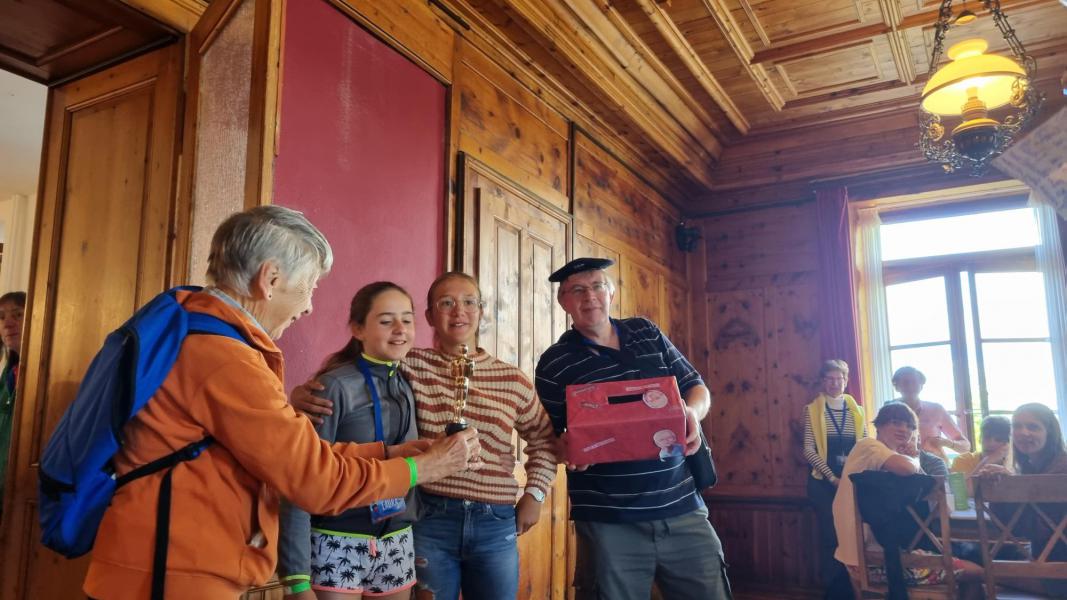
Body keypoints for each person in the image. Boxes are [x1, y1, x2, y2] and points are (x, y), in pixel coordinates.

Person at [83, 206, 480, 600]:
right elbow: (313, 480)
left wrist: (388, 453)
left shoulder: (202, 334)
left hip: (168, 565)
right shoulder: (224, 357)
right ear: (270, 279)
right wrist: (421, 468)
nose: (308, 306)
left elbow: (297, 455)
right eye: (309, 286)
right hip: (169, 574)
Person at [290, 272, 558, 600]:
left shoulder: (512, 379)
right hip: (429, 516)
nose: (459, 311)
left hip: (495, 520)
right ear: (430, 316)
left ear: (481, 311)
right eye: (446, 303)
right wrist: (300, 397)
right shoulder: (410, 364)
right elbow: (362, 367)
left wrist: (536, 493)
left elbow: (545, 440)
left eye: (469, 302)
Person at [534, 257, 731, 600]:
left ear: (611, 293)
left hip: (683, 508)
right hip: (609, 522)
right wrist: (569, 450)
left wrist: (691, 413)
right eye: (577, 290)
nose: (589, 296)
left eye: (597, 286)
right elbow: (552, 439)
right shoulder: (554, 363)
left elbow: (696, 386)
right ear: (563, 302)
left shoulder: (646, 332)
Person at [279, 282, 425, 599]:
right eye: (386, 321)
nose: (400, 329)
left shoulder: (411, 380)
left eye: (407, 319)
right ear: (358, 329)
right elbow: (300, 476)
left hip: (397, 539)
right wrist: (296, 577)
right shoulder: (333, 387)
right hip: (337, 540)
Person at [832, 403, 982, 596]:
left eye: (910, 426)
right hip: (870, 563)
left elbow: (928, 490)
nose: (904, 429)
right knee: (977, 571)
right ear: (879, 425)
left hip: (880, 554)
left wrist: (911, 456)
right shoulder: (868, 446)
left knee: (974, 557)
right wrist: (915, 458)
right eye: (896, 422)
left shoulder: (889, 458)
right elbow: (908, 469)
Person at [975, 403, 1067, 597]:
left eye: (1033, 427)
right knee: (970, 555)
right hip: (1044, 561)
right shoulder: (1032, 468)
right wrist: (1003, 486)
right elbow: (1010, 528)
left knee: (970, 571)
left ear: (1050, 432)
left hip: (1057, 573)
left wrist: (1012, 487)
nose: (1023, 432)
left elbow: (1033, 530)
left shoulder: (1061, 470)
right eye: (1017, 426)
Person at [802, 359, 865, 599]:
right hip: (823, 484)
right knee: (830, 536)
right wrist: (831, 477)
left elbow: (864, 447)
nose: (834, 383)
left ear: (846, 381)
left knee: (851, 535)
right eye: (829, 379)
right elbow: (809, 450)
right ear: (823, 381)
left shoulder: (857, 411)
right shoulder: (812, 410)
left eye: (839, 379)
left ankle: (854, 588)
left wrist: (848, 478)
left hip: (851, 483)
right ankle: (834, 590)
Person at [889, 366, 970, 460]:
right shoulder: (889, 410)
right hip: (901, 464)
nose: (910, 386)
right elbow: (882, 443)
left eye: (914, 382)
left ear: (921, 385)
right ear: (896, 387)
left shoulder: (936, 409)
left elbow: (966, 447)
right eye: (905, 382)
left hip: (936, 465)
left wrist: (945, 442)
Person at [0, 290, 26, 521]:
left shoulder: (40, 374)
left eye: (18, 314)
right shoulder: (7, 375)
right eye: (1, 317)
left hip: (20, 494)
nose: (7, 323)